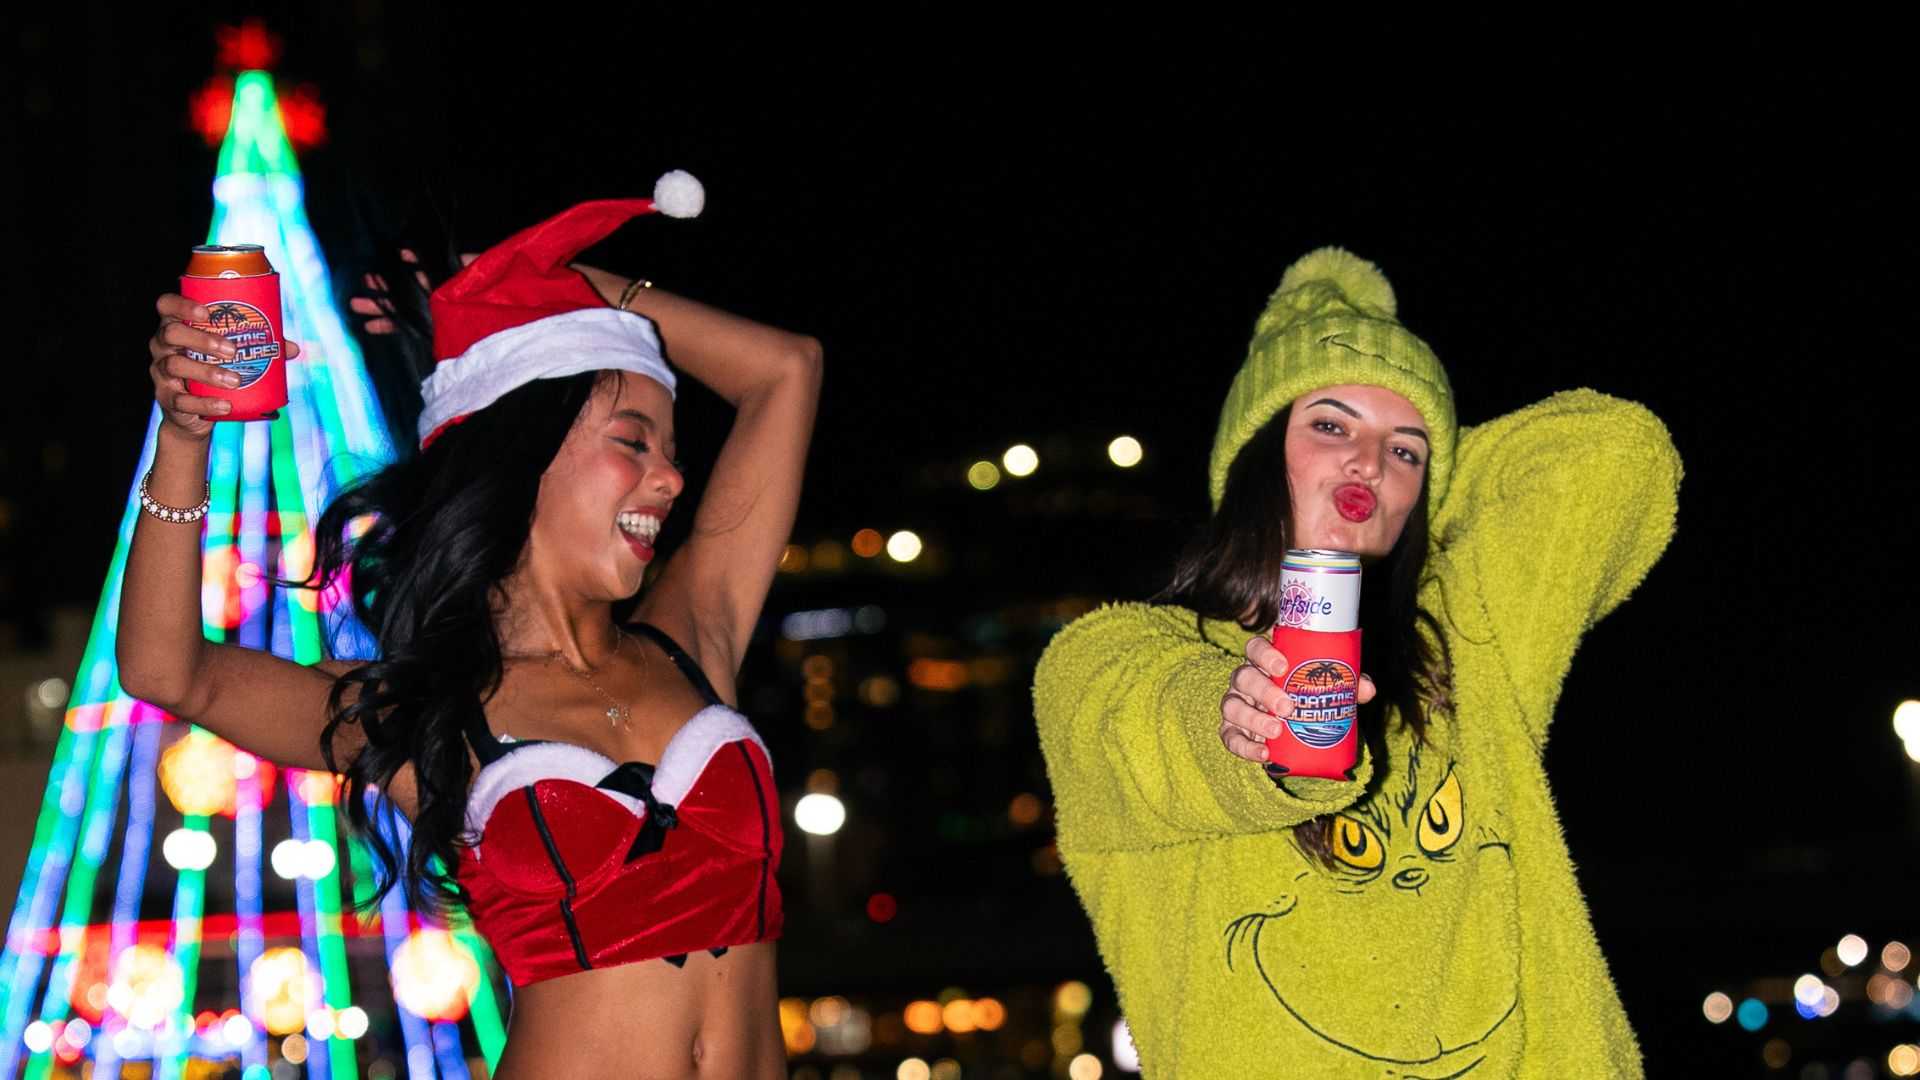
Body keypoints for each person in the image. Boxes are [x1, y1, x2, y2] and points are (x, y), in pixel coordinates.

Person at [119, 175, 822, 1078]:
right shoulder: (429, 715)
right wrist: (183, 437)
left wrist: (545, 284)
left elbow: (784, 370)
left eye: (674, 453)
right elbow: (168, 671)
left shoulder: (693, 639)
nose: (673, 480)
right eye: (634, 442)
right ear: (522, 449)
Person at [1033, 248, 1680, 1076]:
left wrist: (1426, 462)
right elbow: (1139, 725)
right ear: (1257, 453)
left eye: (1404, 451)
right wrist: (1240, 717)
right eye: (1330, 426)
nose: (1369, 463)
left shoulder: (1471, 633)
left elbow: (1620, 454)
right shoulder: (1110, 655)